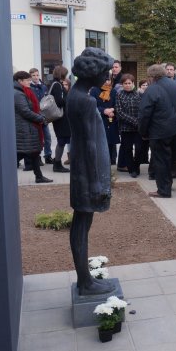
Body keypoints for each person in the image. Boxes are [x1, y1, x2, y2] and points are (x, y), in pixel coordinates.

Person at [66, 48, 117, 296]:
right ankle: (85, 281)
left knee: (81, 222)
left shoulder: (77, 94)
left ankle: (84, 278)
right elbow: (90, 143)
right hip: (87, 171)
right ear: (93, 72)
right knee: (82, 222)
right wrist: (97, 183)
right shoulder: (84, 100)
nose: (107, 77)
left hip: (82, 169)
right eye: (105, 72)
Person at [139, 64, 176, 198]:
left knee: (161, 161)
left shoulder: (152, 89)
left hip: (159, 131)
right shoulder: (175, 85)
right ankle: (167, 185)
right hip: (175, 128)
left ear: (152, 76)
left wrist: (142, 132)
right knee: (170, 159)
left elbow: (144, 113)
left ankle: (163, 190)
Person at [13, 71, 52, 184]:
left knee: (34, 153)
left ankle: (39, 177)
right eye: (27, 80)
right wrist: (40, 118)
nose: (30, 82)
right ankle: (0, 173)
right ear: (20, 81)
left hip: (28, 128)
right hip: (25, 129)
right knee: (20, 154)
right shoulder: (18, 94)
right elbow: (25, 111)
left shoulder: (22, 91)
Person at [115, 74, 142, 178]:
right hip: (126, 128)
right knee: (128, 149)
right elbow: (119, 112)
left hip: (138, 128)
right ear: (122, 85)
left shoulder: (138, 94)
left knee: (139, 149)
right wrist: (134, 121)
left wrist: (139, 122)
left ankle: (137, 166)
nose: (127, 85)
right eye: (125, 83)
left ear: (133, 83)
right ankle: (131, 169)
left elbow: (142, 110)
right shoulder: (119, 95)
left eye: (129, 83)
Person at [49, 65, 71, 172]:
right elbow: (59, 101)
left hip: (61, 118)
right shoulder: (57, 85)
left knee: (62, 140)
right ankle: (57, 164)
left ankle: (57, 163)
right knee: (61, 140)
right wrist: (68, 99)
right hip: (61, 118)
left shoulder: (54, 83)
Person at [29, 68, 53, 165]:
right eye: (33, 75)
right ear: (30, 76)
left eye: (37, 75)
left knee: (47, 137)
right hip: (34, 115)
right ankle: (37, 157)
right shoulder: (29, 87)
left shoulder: (43, 86)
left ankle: (48, 156)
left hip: (44, 116)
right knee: (37, 138)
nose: (36, 77)